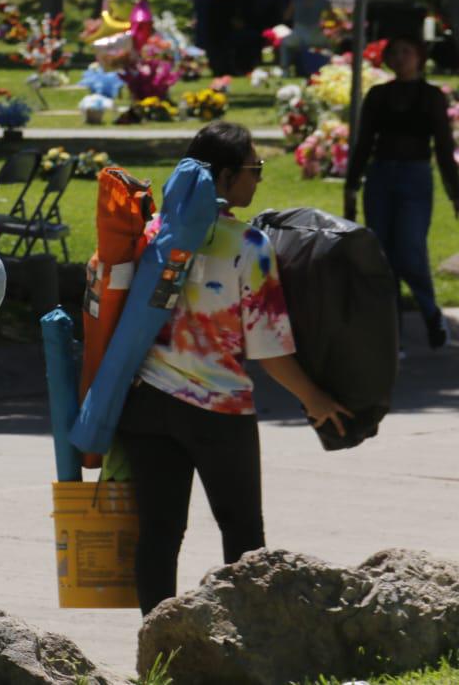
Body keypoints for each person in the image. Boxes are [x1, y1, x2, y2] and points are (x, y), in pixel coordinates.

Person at [118, 122, 352, 615]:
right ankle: (247, 645)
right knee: (243, 534)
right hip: (217, 412)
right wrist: (315, 398)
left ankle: (158, 650)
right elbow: (268, 349)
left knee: (159, 533)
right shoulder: (248, 245)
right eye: (254, 169)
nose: (259, 180)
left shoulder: (154, 232)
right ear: (224, 177)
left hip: (144, 405)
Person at [344, 35, 459, 349]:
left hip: (415, 176)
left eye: (406, 52)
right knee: (381, 255)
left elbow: (444, 148)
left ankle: (430, 313)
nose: (400, 57)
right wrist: (351, 186)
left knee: (409, 250)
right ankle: (392, 332)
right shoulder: (379, 95)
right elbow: (365, 142)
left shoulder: (432, 96)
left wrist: (455, 192)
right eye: (394, 52)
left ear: (419, 57)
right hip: (381, 175)